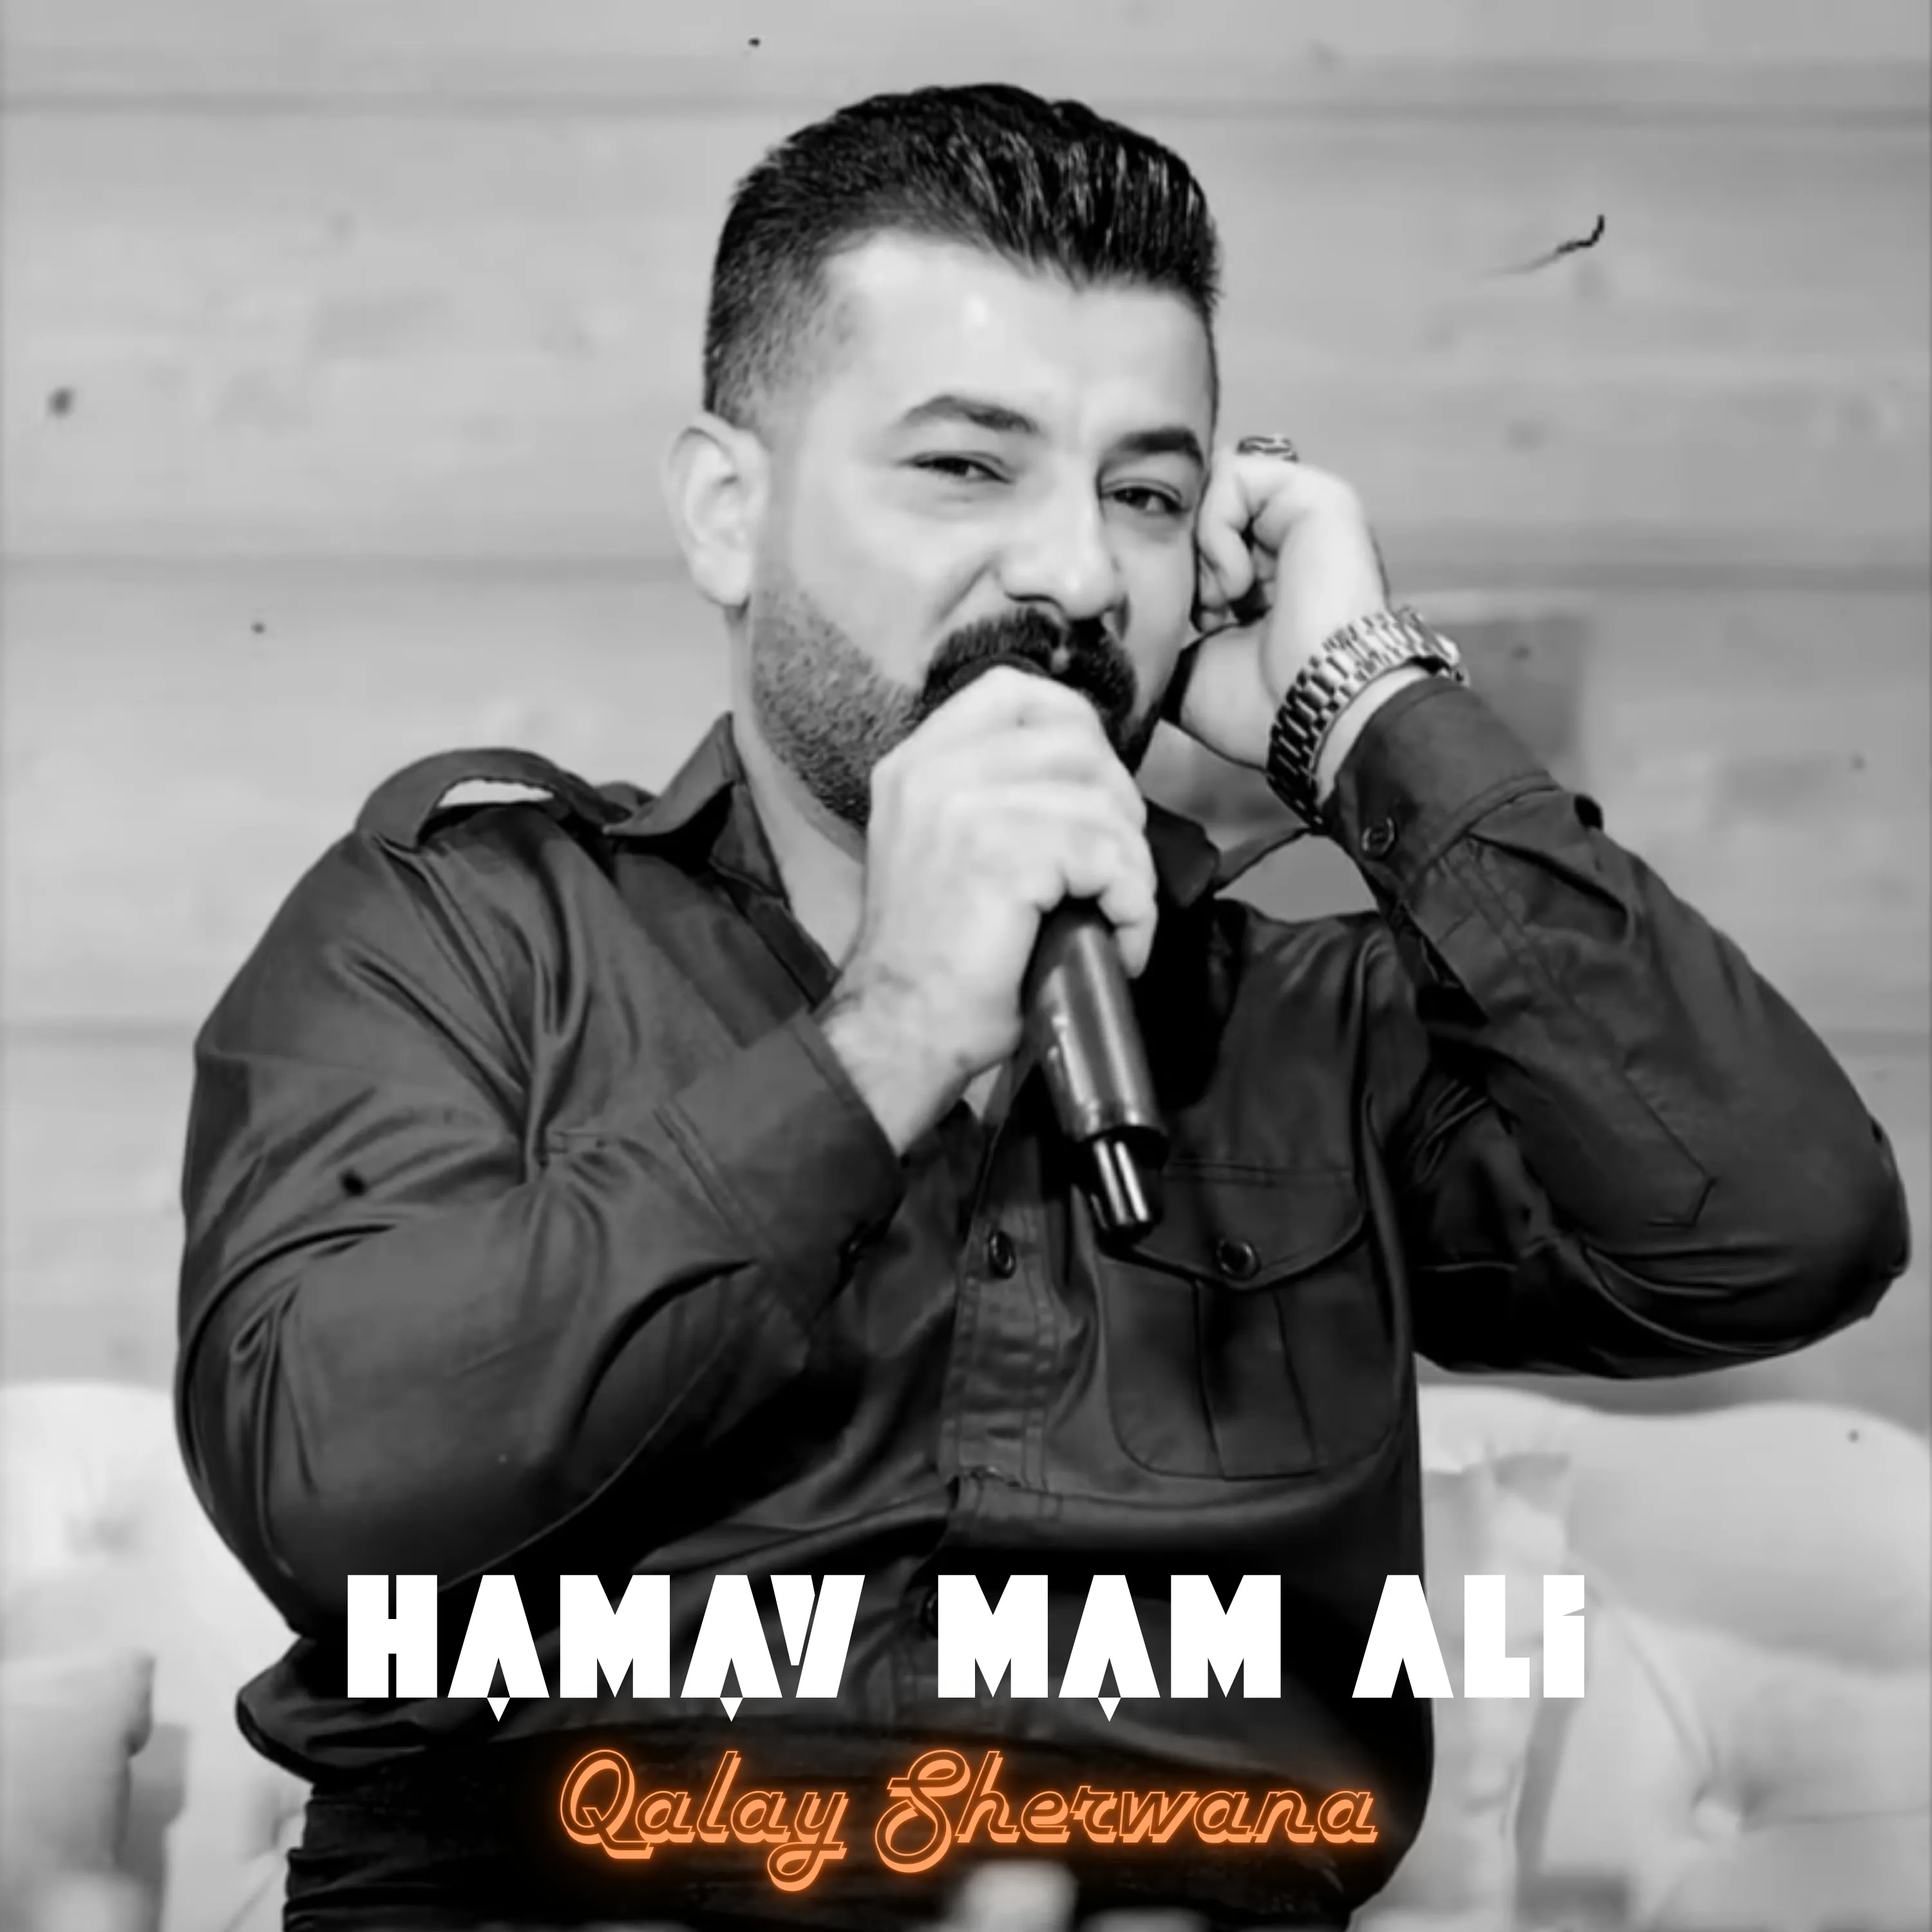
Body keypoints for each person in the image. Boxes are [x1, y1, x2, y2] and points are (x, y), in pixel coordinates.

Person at [176, 84, 1910, 1932]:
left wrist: (1364, 708)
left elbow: (1779, 1233)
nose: (1079, 575)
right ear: (728, 513)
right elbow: (332, 1492)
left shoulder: (1311, 1028)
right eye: (964, 467)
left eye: (1147, 496)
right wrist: (892, 1037)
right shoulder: (464, 932)